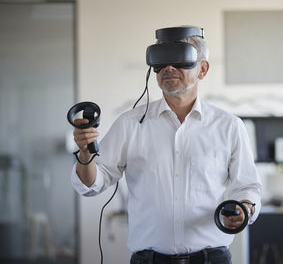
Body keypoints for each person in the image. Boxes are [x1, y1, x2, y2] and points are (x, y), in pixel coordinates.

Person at [71, 26, 262, 264]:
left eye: (180, 58)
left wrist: (245, 208)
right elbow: (91, 185)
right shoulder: (130, 124)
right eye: (161, 60)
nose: (169, 68)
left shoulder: (229, 126)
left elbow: (247, 186)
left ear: (202, 68)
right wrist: (85, 151)